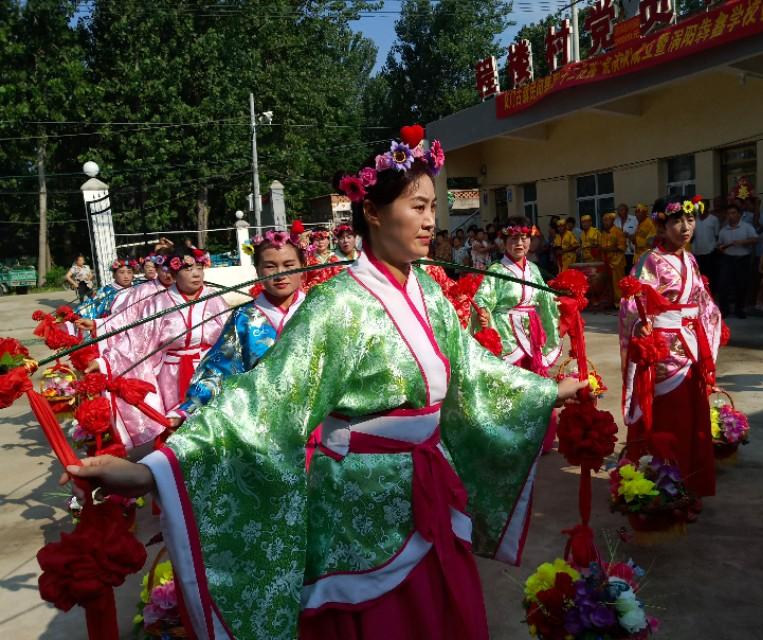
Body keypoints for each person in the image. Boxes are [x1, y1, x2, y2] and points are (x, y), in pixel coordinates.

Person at [63, 131, 587, 640]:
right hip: (361, 498)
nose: (431, 221)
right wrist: (151, 470)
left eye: (433, 207)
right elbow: (265, 401)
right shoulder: (335, 305)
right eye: (417, 206)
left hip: (429, 481)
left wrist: (548, 390)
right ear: (373, 213)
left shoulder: (426, 289)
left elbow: (472, 369)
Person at [620, 199, 722, 503]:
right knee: (670, 417)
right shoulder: (649, 260)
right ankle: (663, 489)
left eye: (690, 221)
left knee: (692, 416)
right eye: (677, 221)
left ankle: (690, 484)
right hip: (665, 350)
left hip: (692, 345)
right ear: (662, 226)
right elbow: (630, 303)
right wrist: (641, 326)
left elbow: (702, 299)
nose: (686, 228)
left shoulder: (690, 261)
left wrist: (714, 321)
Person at [87, 248, 230, 447]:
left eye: (199, 268)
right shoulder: (159, 302)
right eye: (188, 269)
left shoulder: (215, 299)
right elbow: (137, 339)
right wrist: (105, 362)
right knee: (173, 425)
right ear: (173, 274)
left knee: (209, 423)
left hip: (207, 370)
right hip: (171, 374)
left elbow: (230, 340)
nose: (196, 274)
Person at [176, 230, 307, 422]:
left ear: (303, 267)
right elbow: (218, 370)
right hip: (263, 419)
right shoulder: (243, 317)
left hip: (319, 418)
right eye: (270, 266)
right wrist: (190, 407)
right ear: (258, 270)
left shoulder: (317, 309)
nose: (281, 274)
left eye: (289, 265)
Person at [473, 217, 563, 375]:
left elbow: (545, 296)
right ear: (504, 242)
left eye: (524, 238)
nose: (520, 244)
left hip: (532, 329)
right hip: (506, 332)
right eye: (514, 239)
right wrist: (483, 311)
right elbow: (482, 298)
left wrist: (563, 299)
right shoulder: (497, 270)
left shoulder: (533, 269)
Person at [717, 203, 759, 319]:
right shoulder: (724, 229)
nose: (731, 216)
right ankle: (724, 310)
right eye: (729, 213)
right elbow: (719, 244)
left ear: (739, 215)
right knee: (723, 284)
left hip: (742, 259)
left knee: (741, 285)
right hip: (728, 258)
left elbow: (756, 239)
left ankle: (739, 309)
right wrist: (720, 247)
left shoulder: (746, 226)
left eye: (733, 213)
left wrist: (743, 242)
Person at [692, 198, 720, 291]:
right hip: (697, 253)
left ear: (708, 207)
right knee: (699, 275)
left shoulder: (714, 219)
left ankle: (712, 294)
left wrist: (714, 248)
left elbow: (717, 236)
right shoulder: (694, 220)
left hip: (710, 252)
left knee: (711, 275)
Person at [600, 212, 627, 304]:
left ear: (612, 220)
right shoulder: (603, 233)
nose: (604, 222)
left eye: (606, 220)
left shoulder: (618, 231)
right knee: (608, 283)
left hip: (617, 261)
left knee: (618, 282)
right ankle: (611, 301)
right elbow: (602, 246)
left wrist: (608, 249)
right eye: (603, 220)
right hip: (607, 260)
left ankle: (620, 302)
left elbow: (622, 247)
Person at [614, 203, 638, 275]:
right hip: (621, 252)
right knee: (623, 273)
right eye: (618, 211)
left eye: (621, 210)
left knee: (632, 272)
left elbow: (638, 233)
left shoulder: (634, 219)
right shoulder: (616, 221)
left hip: (632, 251)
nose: (620, 212)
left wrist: (629, 235)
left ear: (627, 211)